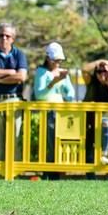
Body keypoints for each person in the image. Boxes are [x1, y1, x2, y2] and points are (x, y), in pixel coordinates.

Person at [0, 23, 28, 162]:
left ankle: (14, 175)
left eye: (7, 36)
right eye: (1, 35)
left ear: (13, 38)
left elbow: (21, 76)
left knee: (14, 139)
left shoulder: (19, 54)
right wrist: (9, 72)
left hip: (13, 100)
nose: (4, 38)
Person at [33, 42, 75, 179]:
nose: (58, 63)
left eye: (60, 60)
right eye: (56, 60)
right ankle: (49, 174)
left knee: (61, 143)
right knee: (50, 144)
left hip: (62, 112)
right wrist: (54, 82)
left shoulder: (62, 73)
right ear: (48, 59)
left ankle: (60, 173)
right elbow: (40, 95)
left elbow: (70, 94)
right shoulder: (41, 72)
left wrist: (64, 84)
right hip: (48, 112)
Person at [82, 59, 108, 173]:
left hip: (104, 121)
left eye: (105, 71)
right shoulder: (91, 83)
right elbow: (84, 69)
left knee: (106, 123)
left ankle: (104, 154)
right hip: (88, 121)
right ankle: (90, 177)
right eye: (99, 71)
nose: (102, 74)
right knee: (88, 151)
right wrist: (101, 62)